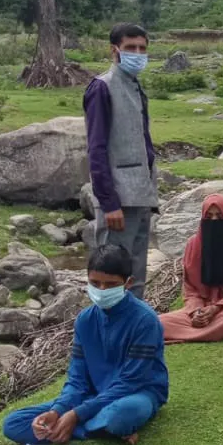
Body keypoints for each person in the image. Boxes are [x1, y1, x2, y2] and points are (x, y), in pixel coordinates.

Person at [3, 245, 168, 445]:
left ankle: (79, 427)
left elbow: (131, 382)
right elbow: (77, 378)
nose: (102, 290)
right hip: (94, 395)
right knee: (13, 423)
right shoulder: (84, 320)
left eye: (111, 284)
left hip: (137, 393)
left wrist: (76, 414)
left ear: (128, 283)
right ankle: (97, 429)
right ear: (87, 279)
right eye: (95, 283)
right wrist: (58, 410)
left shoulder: (145, 320)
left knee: (123, 414)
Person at [85, 22, 158, 298]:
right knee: (110, 275)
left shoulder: (134, 86)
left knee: (135, 274)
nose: (138, 53)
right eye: (131, 48)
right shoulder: (102, 88)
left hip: (141, 195)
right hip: (118, 199)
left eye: (142, 48)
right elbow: (96, 149)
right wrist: (108, 202)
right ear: (114, 50)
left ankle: (135, 333)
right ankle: (108, 334)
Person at [159, 194, 223, 344]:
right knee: (158, 321)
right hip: (200, 311)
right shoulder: (193, 245)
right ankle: (220, 330)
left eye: (219, 216)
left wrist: (215, 309)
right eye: (209, 216)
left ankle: (191, 333)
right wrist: (196, 311)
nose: (213, 221)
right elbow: (190, 290)